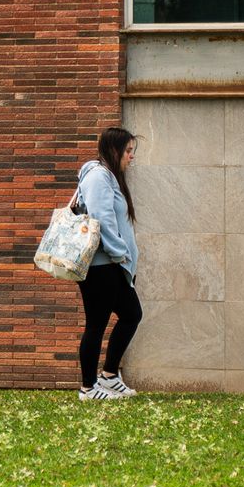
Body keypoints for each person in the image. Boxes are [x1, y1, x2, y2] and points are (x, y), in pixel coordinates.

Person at [74, 127, 142, 400]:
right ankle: (88, 388)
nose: (131, 157)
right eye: (128, 151)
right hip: (101, 266)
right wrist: (120, 253)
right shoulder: (98, 177)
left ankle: (110, 376)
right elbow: (101, 220)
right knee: (96, 324)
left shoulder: (109, 177)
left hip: (113, 266)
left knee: (132, 314)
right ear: (114, 150)